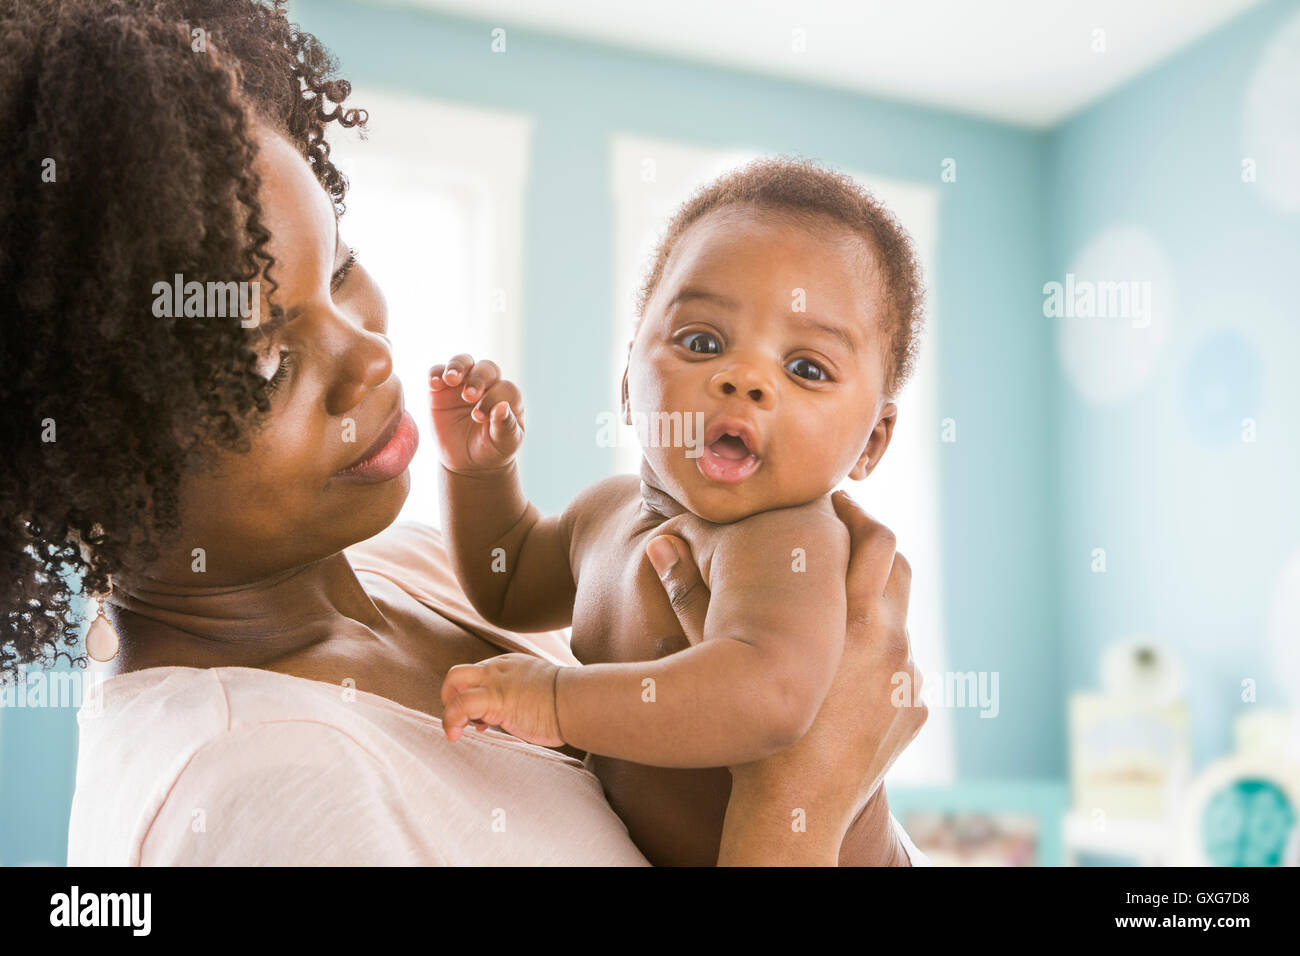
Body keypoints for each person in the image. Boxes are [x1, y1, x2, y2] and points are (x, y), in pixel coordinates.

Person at [0, 0, 928, 865]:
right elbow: (530, 577)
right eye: (265, 360)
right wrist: (804, 795)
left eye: (342, 267)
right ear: (89, 447)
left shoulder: (390, 564)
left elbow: (513, 583)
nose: (368, 356)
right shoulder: (266, 788)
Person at [431, 160, 926, 865]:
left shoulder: (790, 543)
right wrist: (480, 475)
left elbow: (770, 698)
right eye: (702, 343)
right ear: (629, 382)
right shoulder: (603, 513)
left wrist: (557, 703)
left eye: (807, 368)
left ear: (870, 443)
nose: (744, 379)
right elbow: (506, 586)